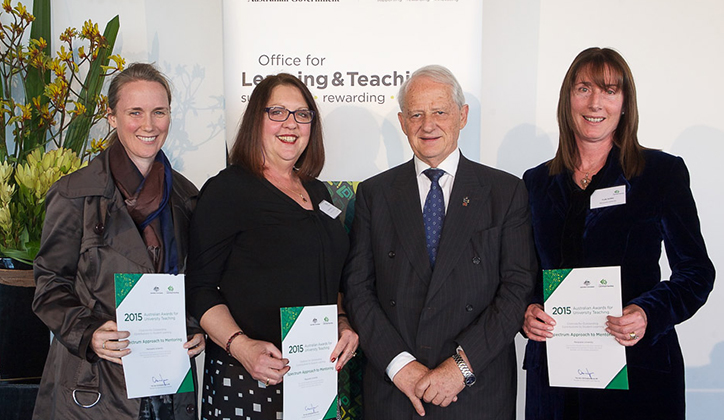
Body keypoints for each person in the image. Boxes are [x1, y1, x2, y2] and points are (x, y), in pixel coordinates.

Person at [522, 47, 716, 420]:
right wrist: (526, 311)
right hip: (557, 385)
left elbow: (696, 272)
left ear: (625, 103)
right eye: (584, 89)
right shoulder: (536, 183)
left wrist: (648, 312)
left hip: (638, 378)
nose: (596, 102)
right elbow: (523, 275)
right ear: (568, 100)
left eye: (610, 90)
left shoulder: (660, 173)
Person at [343, 64, 537, 419]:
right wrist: (400, 366)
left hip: (477, 389)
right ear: (403, 122)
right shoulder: (375, 194)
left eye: (439, 112)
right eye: (416, 114)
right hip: (395, 391)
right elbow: (358, 289)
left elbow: (518, 288)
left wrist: (460, 368)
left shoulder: (505, 192)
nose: (427, 124)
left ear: (462, 116)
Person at [32, 63, 205, 419]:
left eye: (159, 112)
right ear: (111, 118)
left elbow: (196, 282)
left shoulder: (187, 198)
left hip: (167, 384)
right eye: (135, 112)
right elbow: (49, 286)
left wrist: (195, 328)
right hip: (95, 382)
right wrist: (89, 333)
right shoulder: (74, 194)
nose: (149, 125)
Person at [185, 73, 358, 420]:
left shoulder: (320, 192)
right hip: (249, 378)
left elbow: (331, 277)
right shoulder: (228, 189)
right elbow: (199, 289)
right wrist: (242, 346)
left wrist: (341, 322)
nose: (290, 124)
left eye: (302, 114)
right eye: (277, 112)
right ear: (256, 120)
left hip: (313, 375)